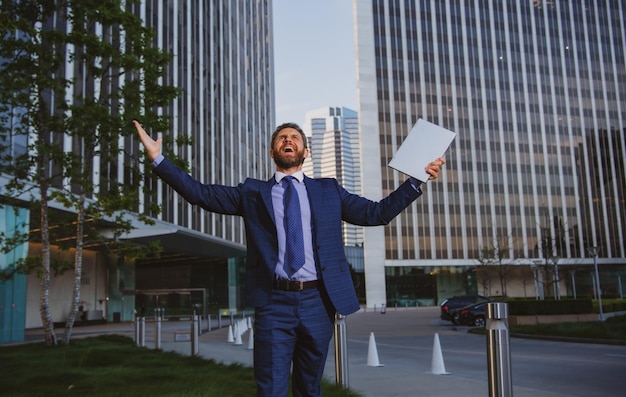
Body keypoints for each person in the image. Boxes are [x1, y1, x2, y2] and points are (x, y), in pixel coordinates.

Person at [133, 120, 445, 397]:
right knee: (270, 388)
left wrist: (416, 180)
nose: (288, 140)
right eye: (282, 137)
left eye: (294, 137)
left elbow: (376, 214)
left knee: (310, 388)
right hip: (273, 303)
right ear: (273, 152)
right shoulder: (252, 192)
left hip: (317, 302)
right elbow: (200, 193)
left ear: (305, 151)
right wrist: (159, 159)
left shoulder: (329, 190)